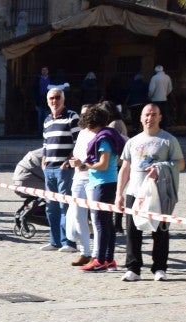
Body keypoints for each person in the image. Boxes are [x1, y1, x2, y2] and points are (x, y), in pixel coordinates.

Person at [115, 103, 184, 282]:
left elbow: (180, 164)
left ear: (160, 117)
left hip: (158, 193)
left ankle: (159, 267)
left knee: (160, 231)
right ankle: (133, 268)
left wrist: (160, 169)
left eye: (154, 114)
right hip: (134, 192)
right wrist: (119, 194)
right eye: (147, 114)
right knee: (132, 232)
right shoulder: (132, 141)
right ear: (141, 117)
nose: (150, 118)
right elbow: (125, 168)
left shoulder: (168, 140)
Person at [79, 104, 126, 272]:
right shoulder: (108, 134)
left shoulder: (104, 139)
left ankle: (100, 260)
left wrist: (87, 165)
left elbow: (103, 164)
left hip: (104, 183)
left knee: (100, 223)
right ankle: (109, 259)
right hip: (106, 182)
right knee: (107, 223)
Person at [41, 87, 80, 252]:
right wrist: (43, 160)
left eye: (57, 97)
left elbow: (78, 142)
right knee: (51, 207)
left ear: (63, 99)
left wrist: (67, 162)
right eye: (51, 98)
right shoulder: (47, 120)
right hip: (49, 168)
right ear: (47, 101)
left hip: (64, 169)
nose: (54, 101)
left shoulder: (72, 116)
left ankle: (69, 242)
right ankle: (54, 241)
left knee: (65, 206)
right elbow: (45, 143)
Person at [66, 104, 94, 267]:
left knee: (96, 218)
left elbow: (99, 160)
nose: (84, 117)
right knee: (78, 216)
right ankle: (85, 252)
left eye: (87, 114)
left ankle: (98, 254)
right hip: (78, 178)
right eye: (82, 114)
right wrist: (70, 162)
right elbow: (76, 153)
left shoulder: (99, 134)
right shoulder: (82, 133)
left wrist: (82, 163)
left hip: (92, 179)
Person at [148, 65, 174, 130]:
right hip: (164, 99)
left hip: (155, 99)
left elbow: (151, 89)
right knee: (163, 114)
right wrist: (165, 94)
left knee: (155, 114)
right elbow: (170, 88)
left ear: (155, 71)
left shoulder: (154, 78)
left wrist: (150, 96)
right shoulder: (167, 77)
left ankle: (156, 127)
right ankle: (164, 128)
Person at [35, 66, 51, 130]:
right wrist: (36, 102)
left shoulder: (51, 79)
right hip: (40, 101)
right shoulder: (37, 79)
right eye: (43, 70)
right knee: (39, 117)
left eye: (45, 70)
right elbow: (35, 90)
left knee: (47, 117)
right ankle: (40, 131)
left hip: (48, 101)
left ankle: (46, 130)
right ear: (41, 71)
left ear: (48, 71)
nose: (44, 71)